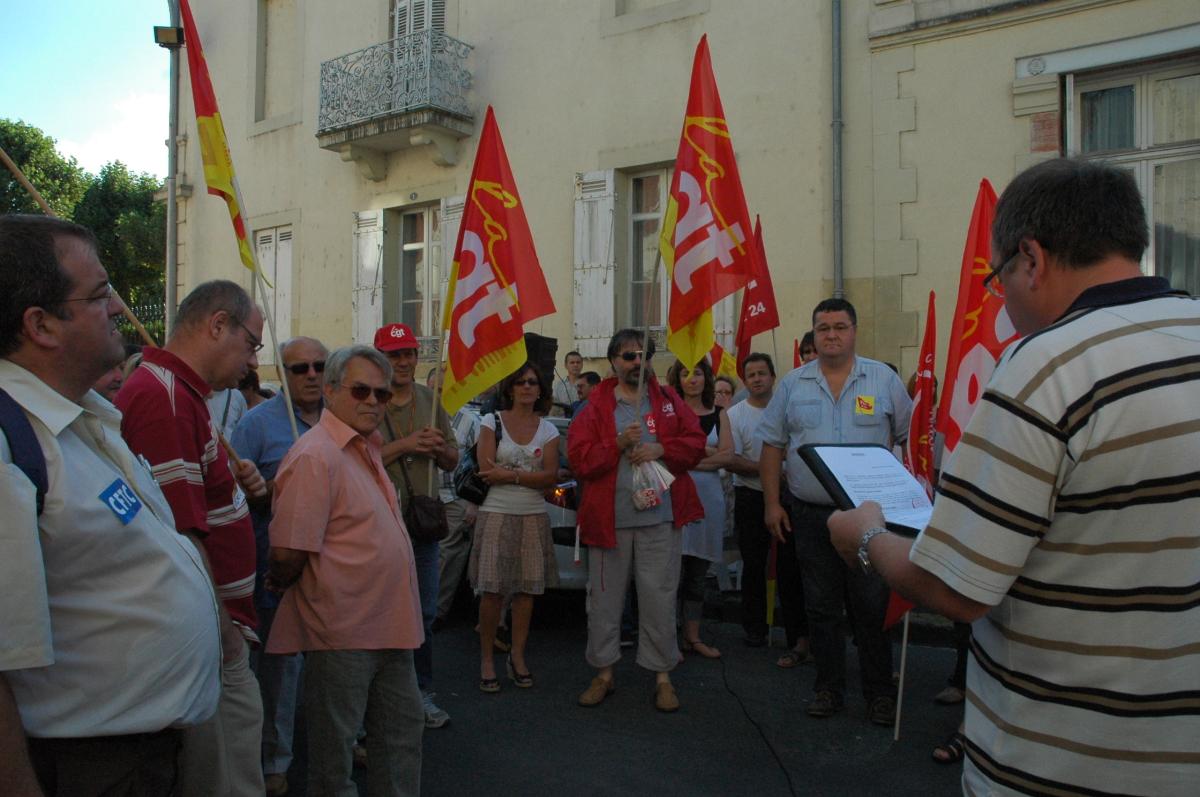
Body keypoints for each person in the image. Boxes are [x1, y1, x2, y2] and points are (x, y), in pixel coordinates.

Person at [828, 158, 1200, 795]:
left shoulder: (1046, 364)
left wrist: (865, 536)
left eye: (999, 277)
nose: (1001, 299)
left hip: (1065, 759)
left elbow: (958, 590)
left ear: (1031, 257)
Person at [0, 214, 220, 795]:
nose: (121, 309)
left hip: (145, 751)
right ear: (41, 325)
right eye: (100, 295)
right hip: (90, 766)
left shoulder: (84, 420)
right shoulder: (11, 442)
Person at [116, 279, 268, 796]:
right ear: (218, 325)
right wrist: (224, 633)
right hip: (211, 635)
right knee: (225, 775)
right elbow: (179, 532)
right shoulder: (164, 397)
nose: (252, 362)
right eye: (252, 344)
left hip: (215, 628)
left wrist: (236, 485)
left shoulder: (185, 395)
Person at [266, 345, 425, 797]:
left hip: (393, 628)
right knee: (334, 764)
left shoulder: (366, 446)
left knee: (400, 744)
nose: (373, 401)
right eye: (361, 391)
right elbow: (289, 552)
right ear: (332, 391)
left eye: (382, 392)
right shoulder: (317, 455)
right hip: (343, 634)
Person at [759, 298, 912, 727]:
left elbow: (909, 437)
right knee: (822, 608)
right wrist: (772, 503)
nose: (831, 335)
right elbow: (772, 445)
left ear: (854, 330)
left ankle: (880, 693)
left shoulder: (883, 380)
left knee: (870, 605)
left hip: (869, 517)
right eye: (823, 328)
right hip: (811, 516)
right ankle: (828, 689)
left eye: (840, 327)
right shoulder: (792, 385)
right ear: (814, 333)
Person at [568, 329, 706, 712]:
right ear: (613, 361)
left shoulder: (667, 400)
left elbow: (694, 443)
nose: (636, 362)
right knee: (605, 602)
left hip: (660, 520)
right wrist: (616, 444)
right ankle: (604, 673)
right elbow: (579, 460)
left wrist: (664, 447)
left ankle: (663, 676)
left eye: (643, 355)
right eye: (628, 356)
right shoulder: (596, 405)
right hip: (609, 522)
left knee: (659, 599)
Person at [231, 335, 328, 796]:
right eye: (299, 368)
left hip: (335, 566)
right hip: (278, 565)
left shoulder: (343, 419)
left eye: (319, 366)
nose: (311, 375)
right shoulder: (254, 425)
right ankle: (274, 759)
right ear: (281, 375)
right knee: (280, 669)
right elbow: (233, 498)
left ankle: (341, 745)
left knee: (335, 665)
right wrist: (270, 489)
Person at [373, 322, 459, 728]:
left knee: (423, 613)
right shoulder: (368, 400)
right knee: (377, 615)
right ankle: (379, 697)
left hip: (422, 525)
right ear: (380, 360)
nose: (404, 361)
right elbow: (356, 458)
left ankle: (421, 693)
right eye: (394, 355)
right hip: (378, 527)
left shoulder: (431, 398)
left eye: (408, 353)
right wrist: (406, 445)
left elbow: (454, 459)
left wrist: (441, 449)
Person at [469, 363, 561, 691]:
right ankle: (486, 660)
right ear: (510, 388)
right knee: (491, 591)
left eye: (533, 382)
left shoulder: (548, 429)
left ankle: (518, 656)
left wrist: (510, 475)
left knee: (526, 593)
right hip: (495, 512)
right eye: (520, 381)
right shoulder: (490, 421)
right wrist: (527, 477)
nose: (526, 387)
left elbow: (551, 477)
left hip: (533, 516)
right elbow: (484, 469)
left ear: (540, 390)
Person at [725, 353, 811, 665]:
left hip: (788, 497)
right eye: (752, 374)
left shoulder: (789, 411)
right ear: (745, 381)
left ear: (774, 377)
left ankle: (796, 636)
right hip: (750, 497)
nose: (758, 379)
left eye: (763, 373)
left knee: (790, 569)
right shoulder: (734, 415)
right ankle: (754, 628)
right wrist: (770, 469)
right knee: (753, 565)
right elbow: (732, 459)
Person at [666, 358, 732, 658]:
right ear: (677, 379)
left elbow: (728, 455)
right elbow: (667, 454)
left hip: (709, 500)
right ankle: (667, 637)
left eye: (698, 373)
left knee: (697, 573)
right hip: (675, 496)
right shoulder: (671, 414)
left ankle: (692, 636)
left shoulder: (720, 415)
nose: (692, 379)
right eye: (685, 373)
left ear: (707, 378)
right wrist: (706, 453)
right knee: (670, 572)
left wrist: (690, 457)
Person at [552, 350, 584, 415]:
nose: (575, 365)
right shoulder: (558, 386)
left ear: (582, 364)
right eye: (572, 362)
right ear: (566, 365)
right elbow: (554, 407)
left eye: (578, 362)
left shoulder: (587, 384)